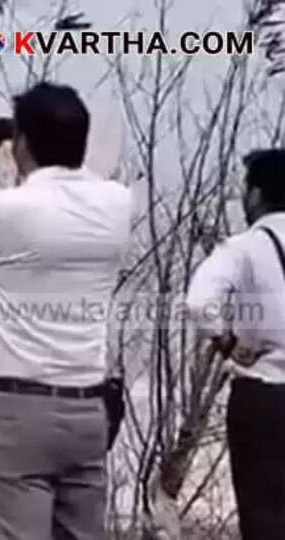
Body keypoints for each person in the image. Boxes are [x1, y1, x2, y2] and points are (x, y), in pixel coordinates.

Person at [0, 82, 132, 539]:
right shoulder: (117, 203)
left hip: (19, 413)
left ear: (23, 144)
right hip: (88, 410)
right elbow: (61, 195)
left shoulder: (4, 210)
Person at [186, 149, 285, 539]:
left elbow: (198, 302)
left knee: (265, 517)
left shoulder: (245, 246)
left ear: (257, 194)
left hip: (265, 401)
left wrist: (227, 341)